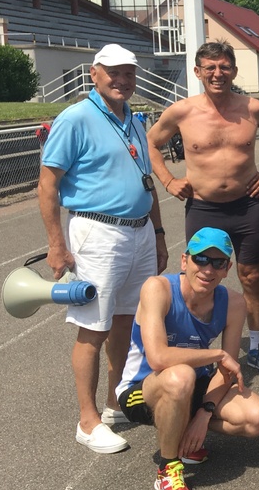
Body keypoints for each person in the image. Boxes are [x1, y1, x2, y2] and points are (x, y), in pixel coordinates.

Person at [38, 43, 168, 454]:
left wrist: (159, 234)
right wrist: (56, 244)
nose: (122, 80)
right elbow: (47, 185)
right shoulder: (75, 118)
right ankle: (87, 420)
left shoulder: (134, 118)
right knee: (93, 326)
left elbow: (146, 180)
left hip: (139, 231)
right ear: (94, 74)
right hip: (98, 231)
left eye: (129, 73)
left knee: (126, 322)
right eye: (113, 72)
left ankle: (115, 402)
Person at [147, 41, 259, 375]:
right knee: (199, 278)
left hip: (246, 207)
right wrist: (168, 180)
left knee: (251, 276)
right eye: (210, 67)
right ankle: (195, 348)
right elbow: (150, 142)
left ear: (233, 70)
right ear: (198, 72)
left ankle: (256, 345)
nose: (217, 73)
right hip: (204, 208)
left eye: (224, 67)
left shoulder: (253, 109)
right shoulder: (182, 112)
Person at [116, 228, 259, 490]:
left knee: (258, 417)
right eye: (201, 259)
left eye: (218, 262)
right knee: (180, 375)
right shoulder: (158, 288)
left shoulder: (234, 303)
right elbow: (158, 359)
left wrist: (204, 413)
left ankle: (184, 429)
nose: (208, 269)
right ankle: (168, 469)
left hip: (193, 385)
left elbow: (226, 371)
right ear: (184, 261)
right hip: (143, 388)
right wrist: (217, 354)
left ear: (227, 269)